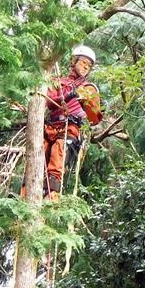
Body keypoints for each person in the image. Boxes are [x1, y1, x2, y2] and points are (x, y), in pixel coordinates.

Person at [41, 45, 103, 199]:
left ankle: (51, 198)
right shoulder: (58, 82)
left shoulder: (88, 88)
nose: (86, 67)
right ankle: (25, 195)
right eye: (83, 63)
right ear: (73, 61)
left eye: (89, 66)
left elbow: (94, 119)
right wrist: (71, 94)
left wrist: (89, 103)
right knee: (36, 158)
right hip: (50, 125)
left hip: (70, 127)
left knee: (57, 160)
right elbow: (49, 102)